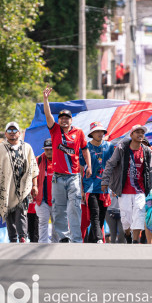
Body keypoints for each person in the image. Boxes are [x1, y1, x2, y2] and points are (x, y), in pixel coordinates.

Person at [42, 87, 91, 243]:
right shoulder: (55, 130)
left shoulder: (79, 133)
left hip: (74, 177)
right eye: (61, 117)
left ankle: (76, 239)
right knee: (59, 209)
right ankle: (64, 237)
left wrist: (88, 165)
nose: (64, 120)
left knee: (75, 208)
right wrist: (45, 100)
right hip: (57, 177)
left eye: (67, 118)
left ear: (71, 120)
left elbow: (85, 150)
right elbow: (48, 116)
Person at [0, 122, 39, 243]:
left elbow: (33, 168)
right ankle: (12, 238)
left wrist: (35, 185)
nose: (12, 133)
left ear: (19, 133)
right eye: (10, 131)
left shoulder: (27, 148)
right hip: (6, 187)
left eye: (15, 131)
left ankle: (22, 236)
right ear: (5, 133)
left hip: (23, 187)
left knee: (22, 212)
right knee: (9, 215)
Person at [101, 124, 152, 244]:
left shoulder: (146, 151)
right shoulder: (122, 148)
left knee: (139, 213)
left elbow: (151, 171)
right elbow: (110, 164)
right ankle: (127, 234)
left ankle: (135, 241)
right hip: (123, 190)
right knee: (126, 219)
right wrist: (105, 181)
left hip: (140, 190)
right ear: (131, 135)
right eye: (137, 132)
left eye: (142, 132)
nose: (140, 134)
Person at [82, 122, 115, 243]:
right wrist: (81, 189)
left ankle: (91, 240)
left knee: (102, 215)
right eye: (97, 131)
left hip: (105, 186)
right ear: (92, 134)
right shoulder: (85, 147)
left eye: (101, 131)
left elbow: (114, 165)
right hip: (89, 186)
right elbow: (81, 168)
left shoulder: (110, 146)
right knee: (94, 213)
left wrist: (114, 185)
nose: (100, 133)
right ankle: (99, 238)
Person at [34, 138, 57, 243]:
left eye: (51, 149)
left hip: (57, 200)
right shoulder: (38, 160)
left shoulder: (60, 161)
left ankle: (56, 246)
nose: (48, 151)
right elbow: (32, 175)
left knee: (56, 224)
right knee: (43, 223)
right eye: (46, 149)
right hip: (42, 199)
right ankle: (42, 244)